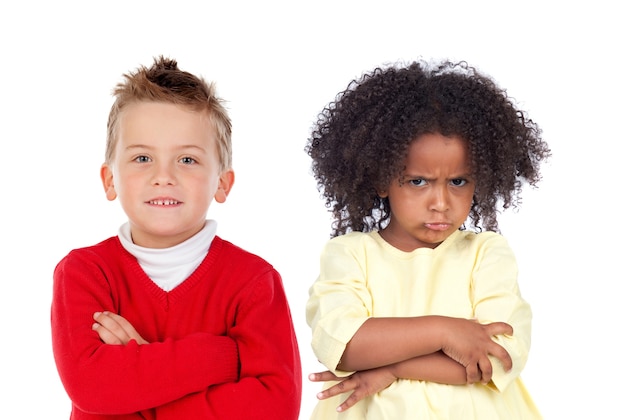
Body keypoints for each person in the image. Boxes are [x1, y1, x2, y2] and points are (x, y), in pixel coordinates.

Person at [51, 56, 302, 419]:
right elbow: (93, 387)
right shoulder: (83, 273)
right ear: (109, 180)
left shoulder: (254, 281)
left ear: (222, 183)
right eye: (142, 158)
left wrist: (138, 371)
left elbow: (274, 407)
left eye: (187, 160)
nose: (163, 176)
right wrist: (221, 355)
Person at [305, 59, 550, 419]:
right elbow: (344, 345)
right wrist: (445, 332)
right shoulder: (351, 255)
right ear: (380, 179)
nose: (441, 203)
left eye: (458, 181)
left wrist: (391, 368)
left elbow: (497, 360)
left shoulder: (486, 255)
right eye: (418, 181)